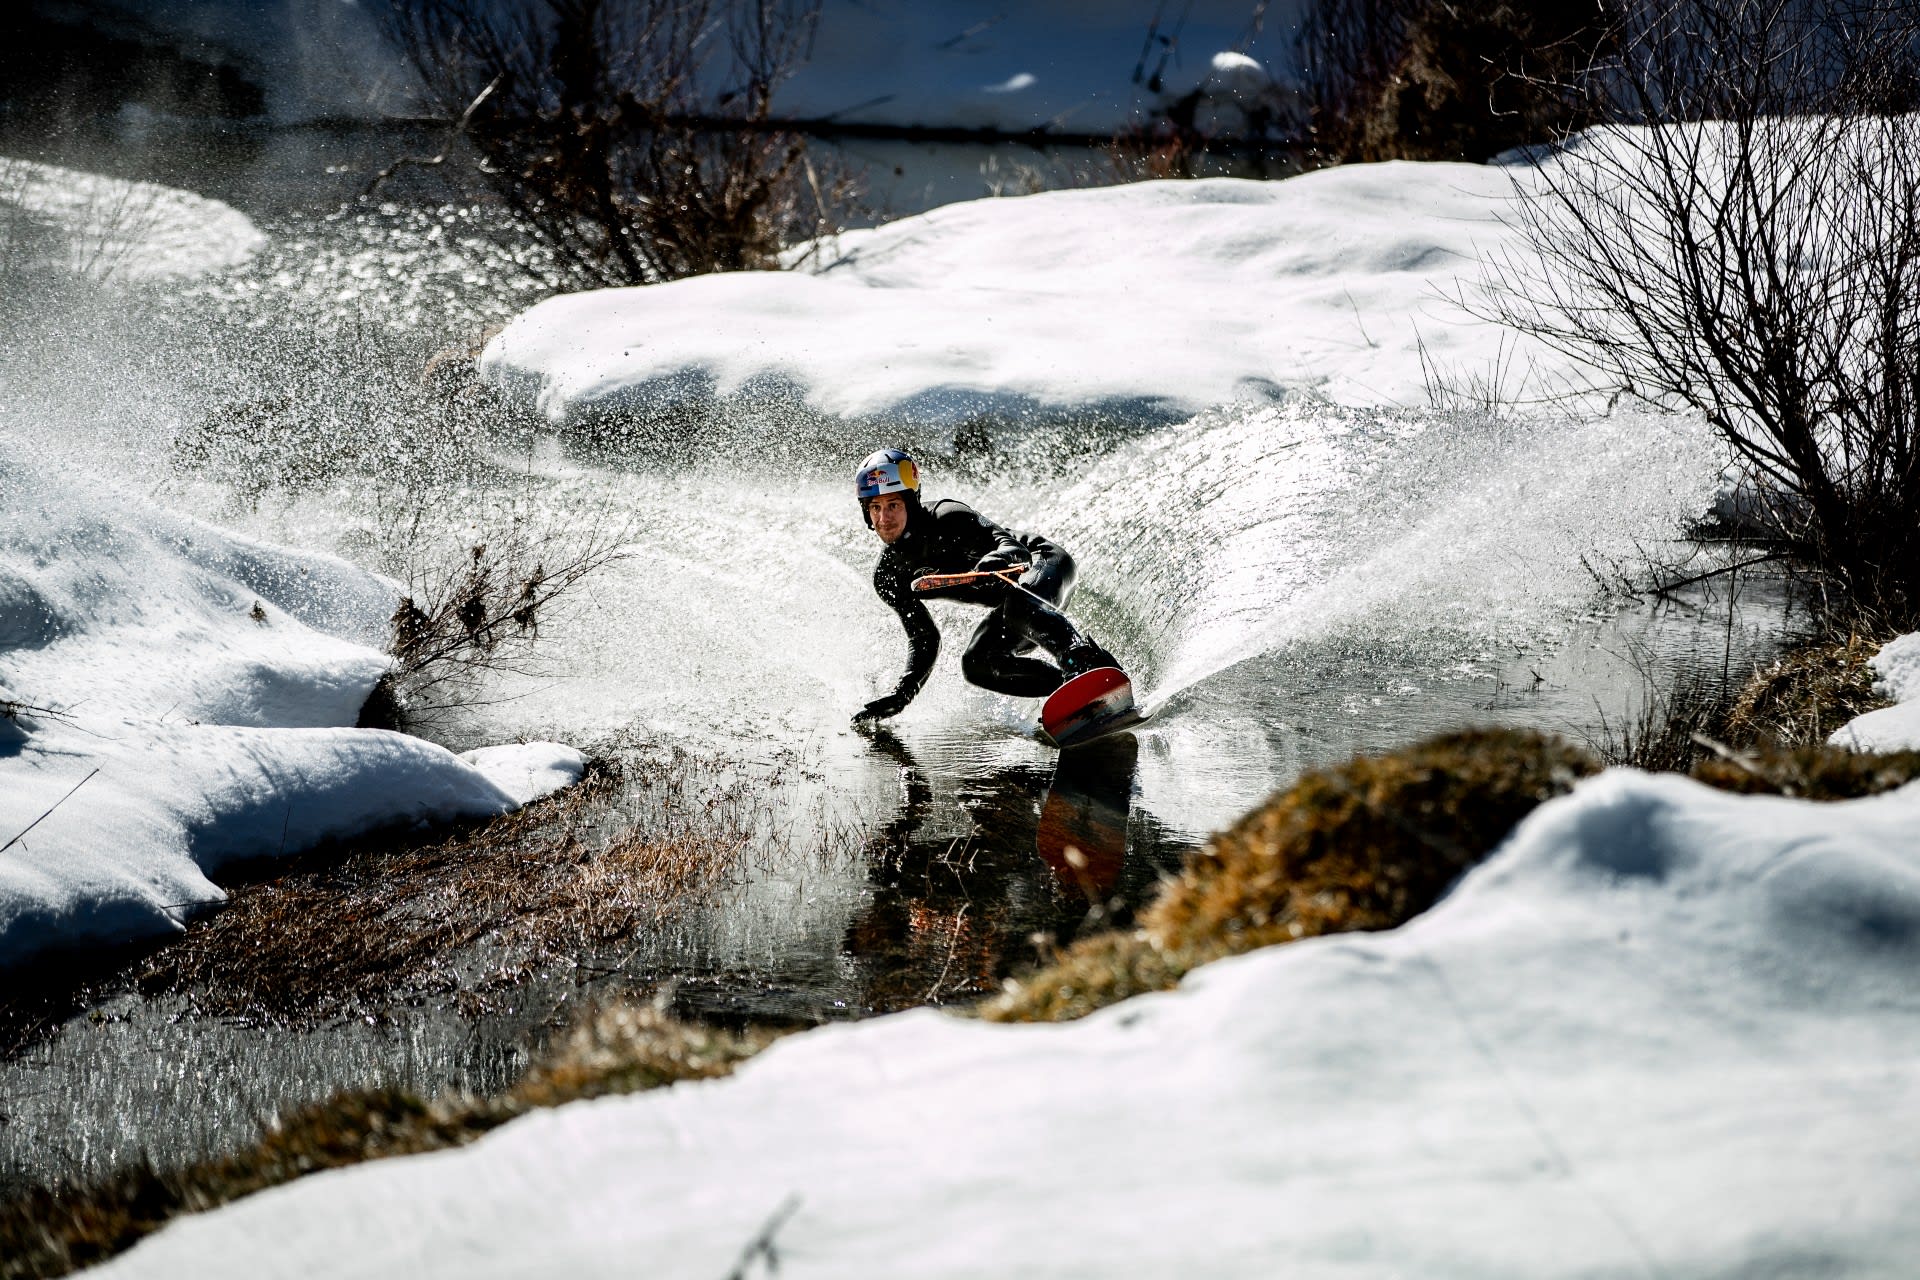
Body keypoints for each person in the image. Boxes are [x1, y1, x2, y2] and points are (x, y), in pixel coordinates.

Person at [851, 447, 1116, 724]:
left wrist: (995, 559)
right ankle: (1069, 691)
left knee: (1017, 605)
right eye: (875, 508)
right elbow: (925, 638)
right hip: (1017, 607)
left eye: (893, 505)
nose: (884, 519)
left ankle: (1084, 662)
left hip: (1044, 565)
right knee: (977, 664)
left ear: (910, 501)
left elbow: (1015, 549)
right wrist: (902, 695)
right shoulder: (889, 577)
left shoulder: (948, 517)